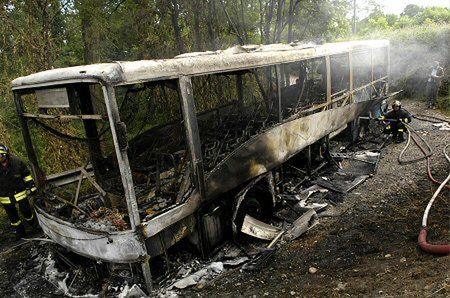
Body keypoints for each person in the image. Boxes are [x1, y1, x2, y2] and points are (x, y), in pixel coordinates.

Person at [0, 144, 39, 239]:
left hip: (20, 193)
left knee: (26, 211)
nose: (0, 157)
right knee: (13, 218)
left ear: (6, 154)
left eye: (1, 155)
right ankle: (20, 233)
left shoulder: (17, 162)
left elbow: (26, 175)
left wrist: (32, 186)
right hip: (5, 197)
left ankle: (33, 225)